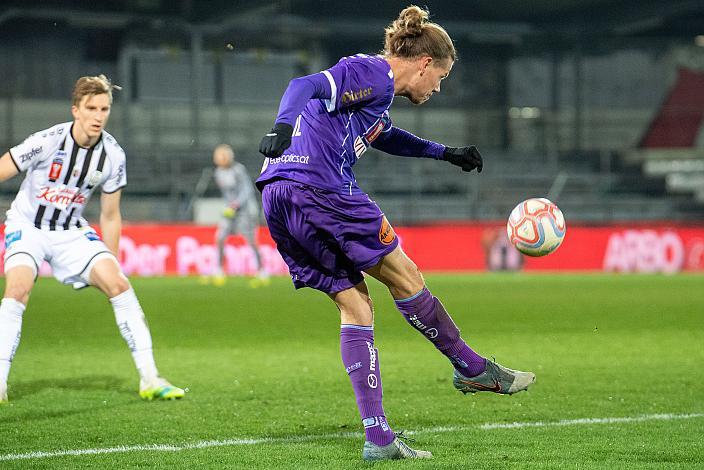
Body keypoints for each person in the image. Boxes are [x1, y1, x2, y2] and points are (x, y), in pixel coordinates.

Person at [258, 5, 535, 461]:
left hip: (277, 196)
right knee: (406, 276)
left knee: (356, 305)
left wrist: (445, 153)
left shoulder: (375, 96)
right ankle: (471, 367)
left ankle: (379, 439)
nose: (438, 88)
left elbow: (383, 134)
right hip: (321, 187)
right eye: (440, 78)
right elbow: (302, 85)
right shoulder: (375, 72)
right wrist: (282, 125)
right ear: (425, 64)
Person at [0, 75, 184, 403]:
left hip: (71, 230)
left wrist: (110, 259)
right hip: (28, 226)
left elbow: (111, 215)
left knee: (120, 285)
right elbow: (3, 168)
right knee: (17, 289)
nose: (99, 115)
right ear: (76, 110)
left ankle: (150, 378)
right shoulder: (47, 141)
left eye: (105, 108)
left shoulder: (113, 156)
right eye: (92, 108)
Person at [210, 144, 269, 287]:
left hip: (245, 210)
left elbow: (247, 190)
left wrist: (236, 204)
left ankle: (261, 271)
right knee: (219, 237)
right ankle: (218, 270)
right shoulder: (218, 173)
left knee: (251, 241)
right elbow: (226, 194)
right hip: (230, 211)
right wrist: (228, 206)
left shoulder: (238, 170)